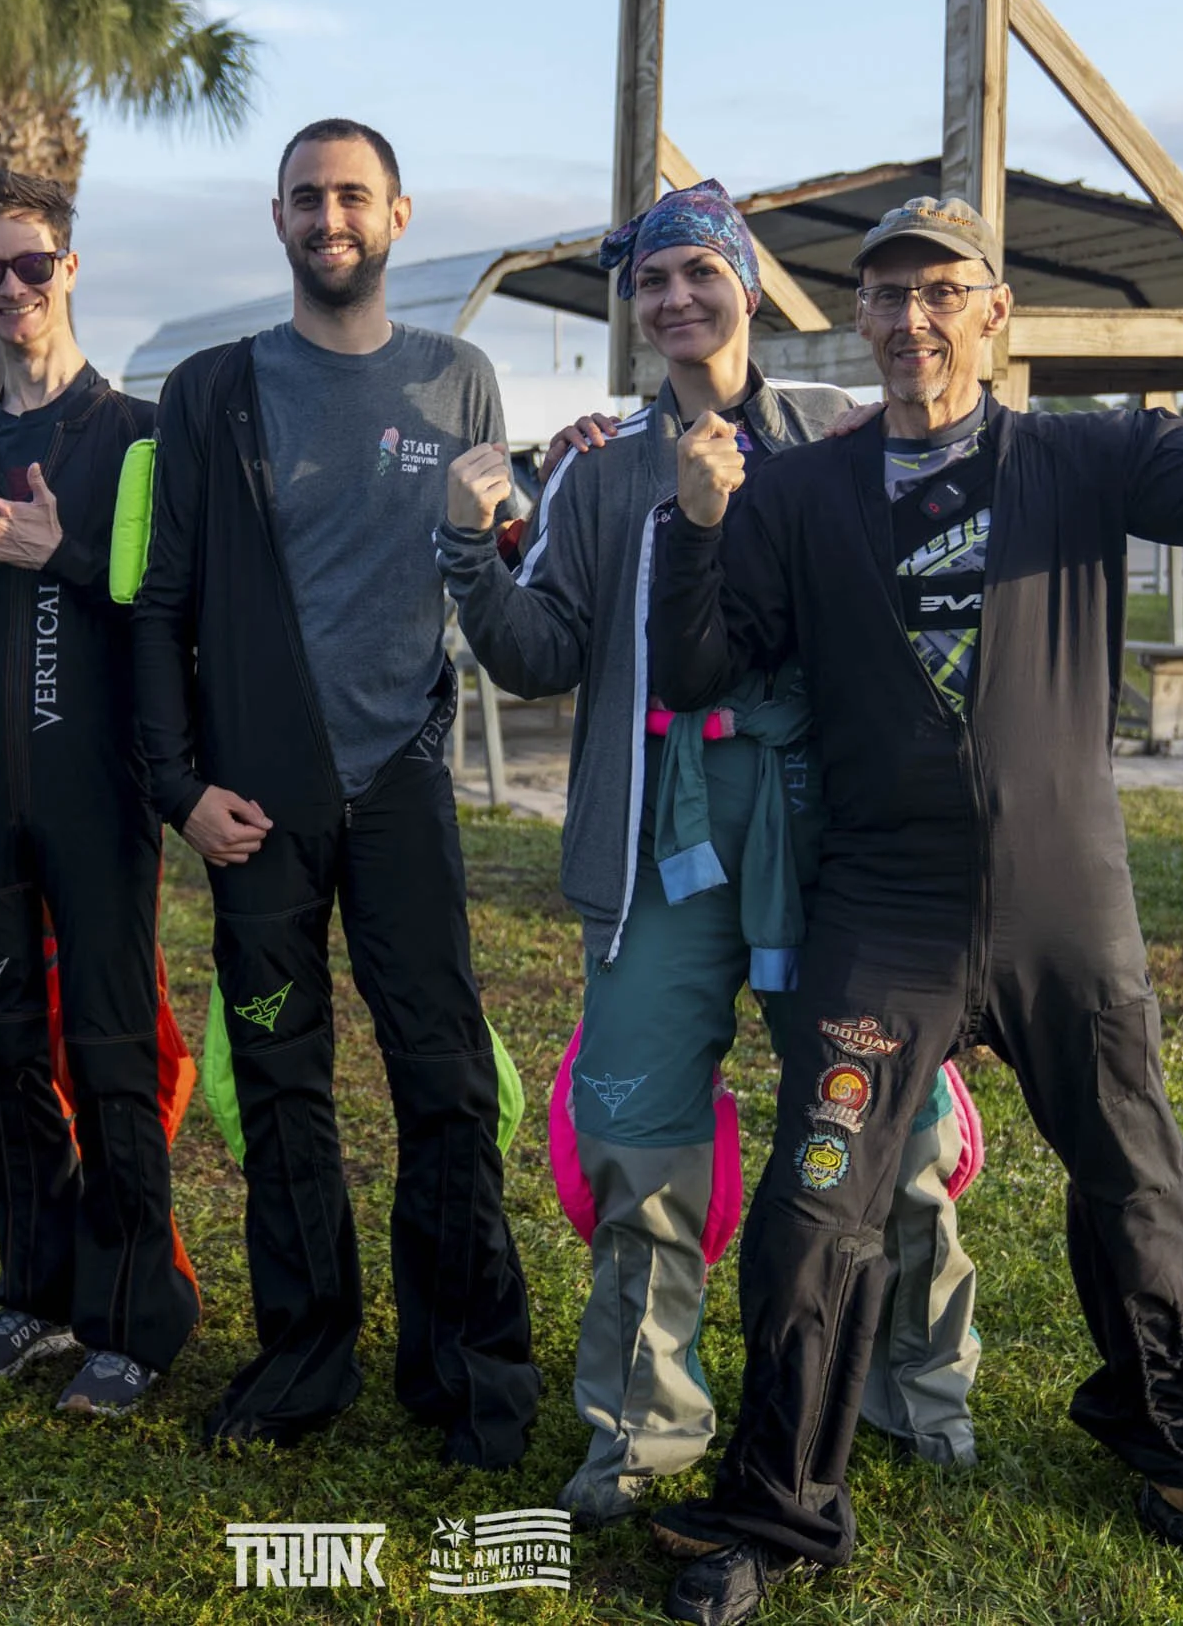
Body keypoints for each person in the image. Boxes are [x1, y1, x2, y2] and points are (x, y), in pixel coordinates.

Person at [644, 195, 1183, 1621]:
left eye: (942, 293)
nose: (913, 321)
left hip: (1060, 896)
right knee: (817, 1196)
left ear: (993, 311)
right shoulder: (801, 489)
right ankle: (779, 1502)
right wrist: (701, 522)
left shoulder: (1089, 457)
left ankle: (1179, 1438)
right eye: (887, 296)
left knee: (1134, 1169)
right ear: (858, 317)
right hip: (886, 907)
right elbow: (703, 665)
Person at [438, 180, 984, 1531]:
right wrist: (469, 555)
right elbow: (546, 649)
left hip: (828, 841)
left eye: (700, 271)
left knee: (886, 1121)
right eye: (653, 280)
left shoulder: (836, 432)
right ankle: (645, 1430)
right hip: (654, 844)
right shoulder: (603, 461)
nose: (677, 298)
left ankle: (915, 1389)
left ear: (748, 281)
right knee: (636, 1130)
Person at [132, 118, 541, 1469]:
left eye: (352, 195)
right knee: (281, 1077)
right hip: (258, 805)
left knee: (445, 1082)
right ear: (280, 218)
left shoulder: (458, 381)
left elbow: (488, 588)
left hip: (403, 788)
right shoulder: (215, 390)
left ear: (398, 215)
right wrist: (182, 788)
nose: (330, 217)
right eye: (307, 198)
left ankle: (465, 1366)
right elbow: (162, 604)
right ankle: (303, 1356)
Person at [0, 168, 199, 1418]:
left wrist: (63, 552)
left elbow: (175, 612)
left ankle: (133, 1318)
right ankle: (34, 1293)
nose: (11, 288)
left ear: (70, 266)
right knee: (8, 1048)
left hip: (99, 794)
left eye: (31, 265)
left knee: (111, 1054)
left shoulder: (137, 436)